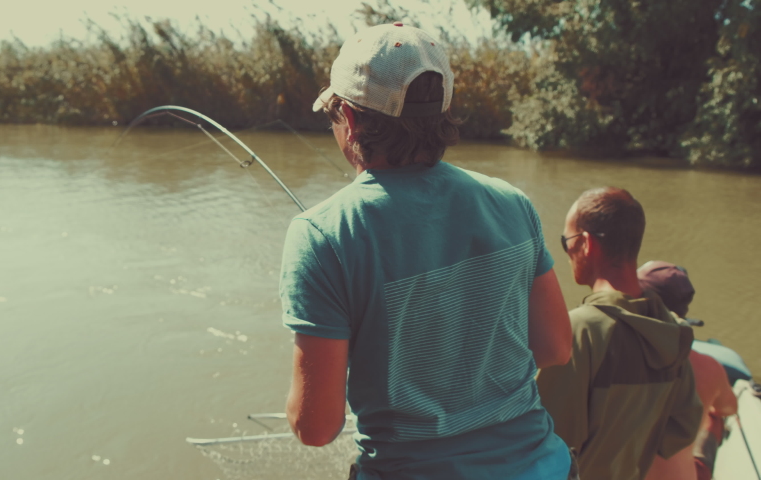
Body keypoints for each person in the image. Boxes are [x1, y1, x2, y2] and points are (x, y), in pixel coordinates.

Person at [279, 23, 575, 480]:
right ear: (443, 111)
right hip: (543, 468)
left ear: (352, 121)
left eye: (335, 115)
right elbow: (556, 347)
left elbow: (316, 428)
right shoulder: (513, 204)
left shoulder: (321, 235)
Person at [536, 187, 703, 480]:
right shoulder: (672, 334)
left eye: (567, 241)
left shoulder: (580, 331)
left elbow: (542, 439)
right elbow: (679, 433)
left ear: (586, 243)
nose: (567, 252)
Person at [638, 261, 738, 480]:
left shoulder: (613, 353)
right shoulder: (708, 367)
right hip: (682, 475)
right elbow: (729, 408)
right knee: (715, 417)